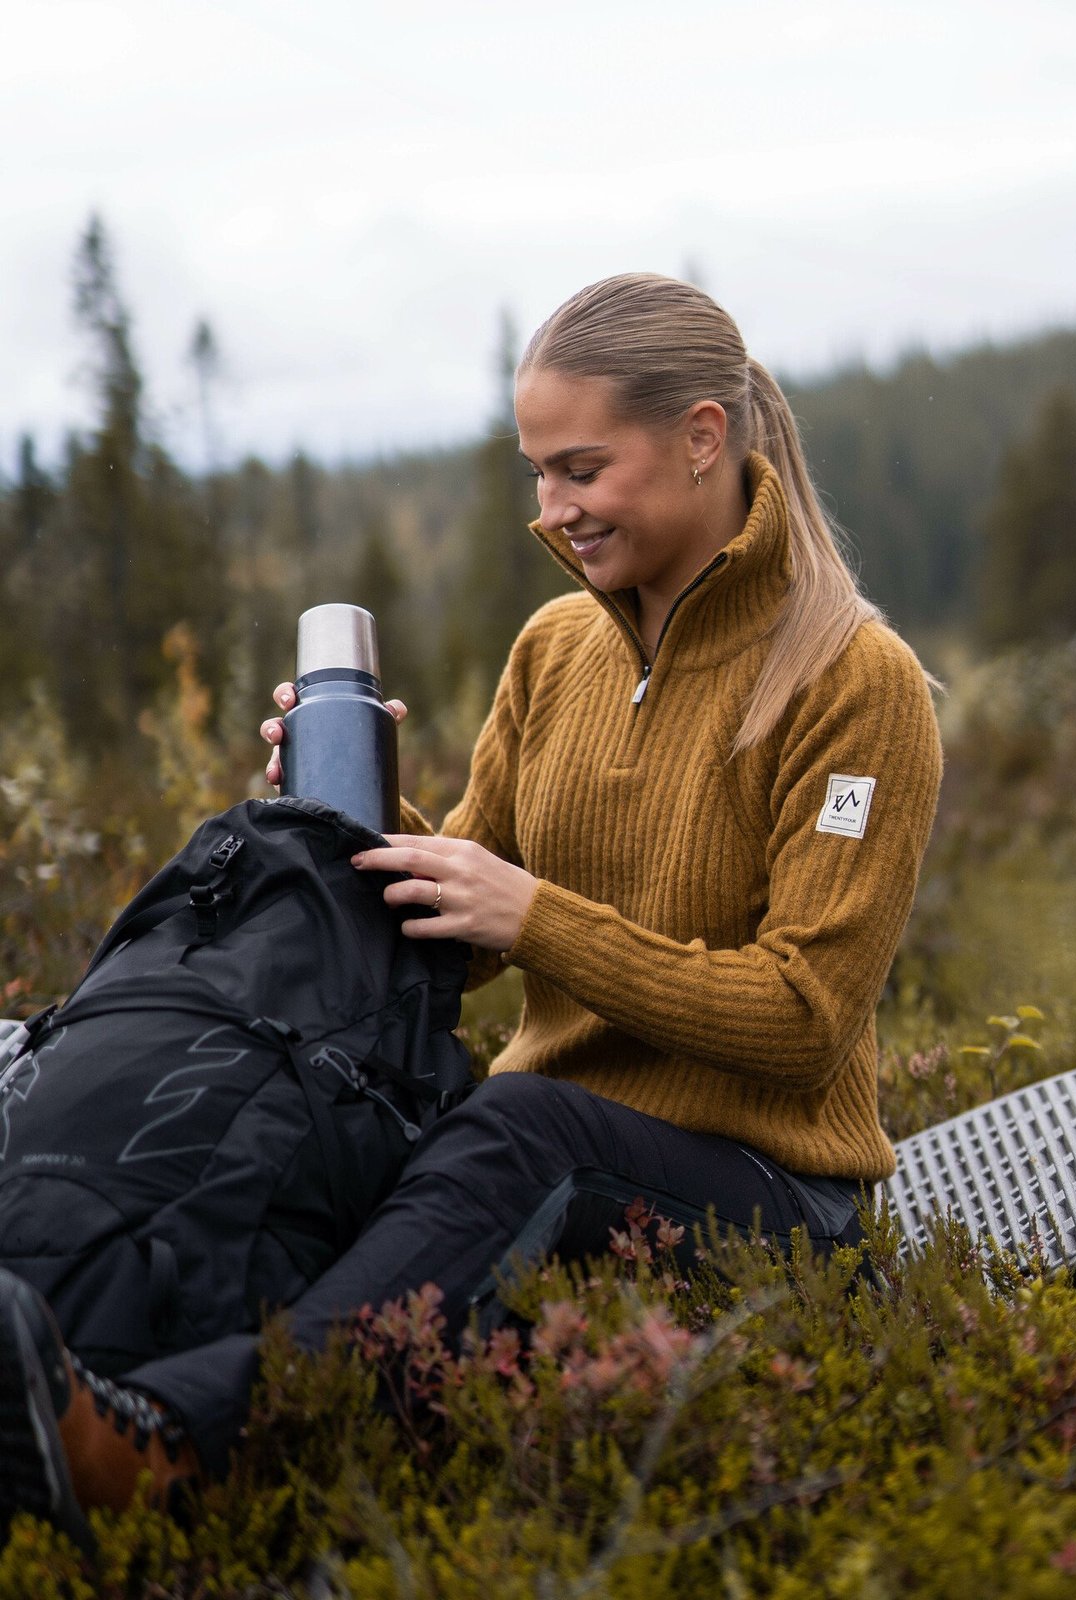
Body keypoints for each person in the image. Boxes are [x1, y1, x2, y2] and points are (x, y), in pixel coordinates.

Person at [0, 273, 942, 1541]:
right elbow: (470, 938)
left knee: (518, 1129)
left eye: (582, 469)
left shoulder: (853, 680)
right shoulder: (556, 652)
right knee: (333, 1129)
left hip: (772, 1197)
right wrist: (368, 823)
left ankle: (175, 1444)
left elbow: (806, 1017)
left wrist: (535, 915)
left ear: (704, 436)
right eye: (535, 472)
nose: (551, 511)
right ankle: (59, 1378)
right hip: (548, 1137)